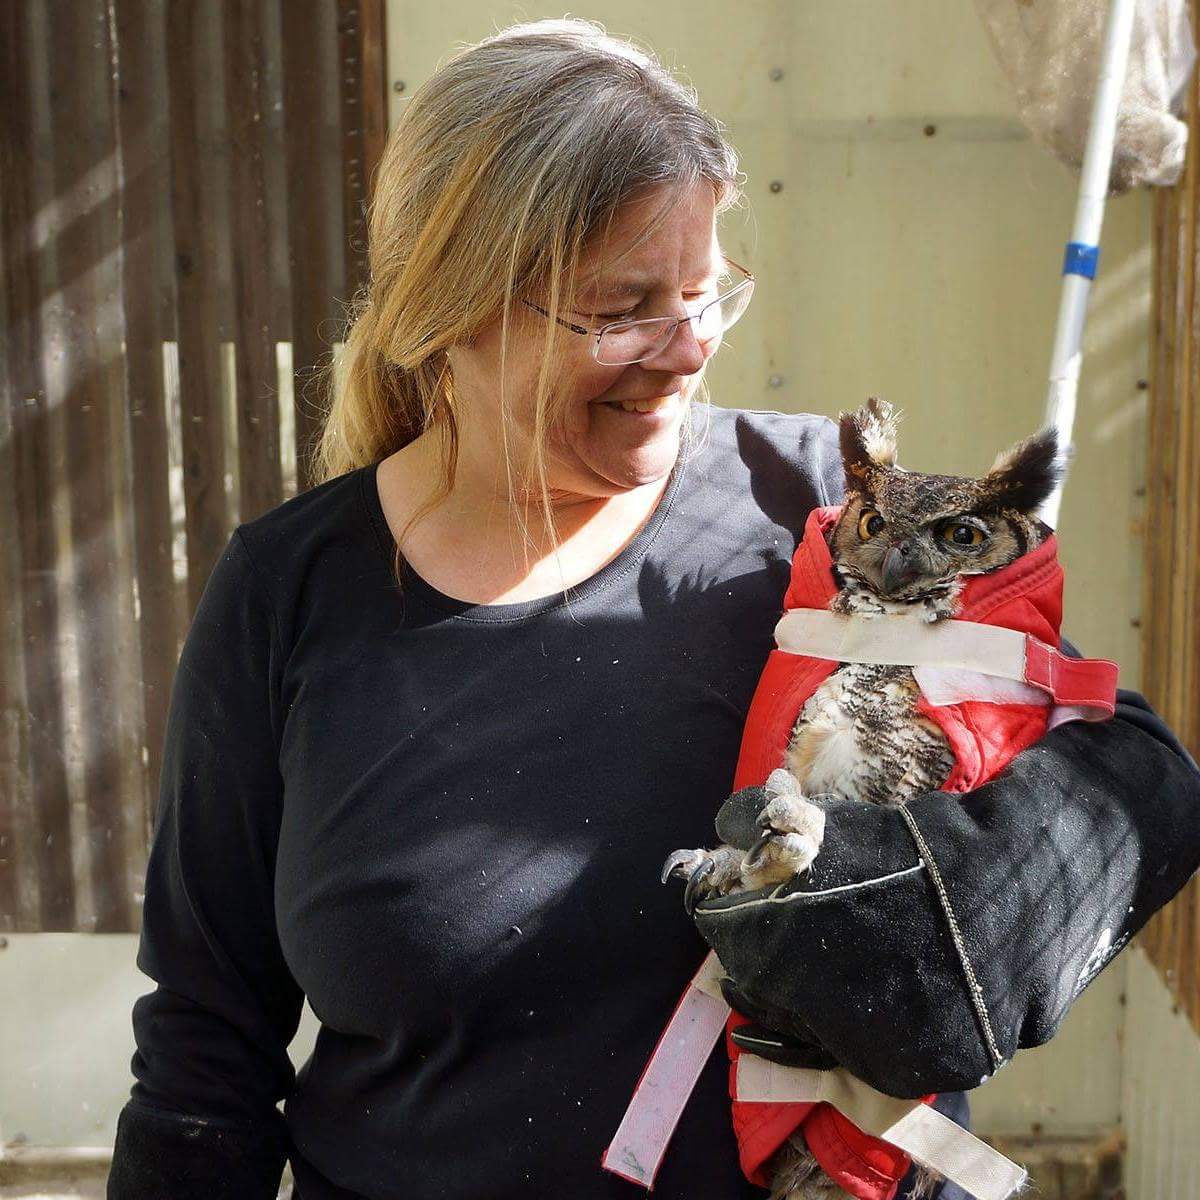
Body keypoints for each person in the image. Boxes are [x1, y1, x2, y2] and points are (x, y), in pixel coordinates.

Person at [106, 18, 1200, 1200]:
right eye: (623, 309)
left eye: (703, 293)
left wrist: (969, 908)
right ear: (448, 308)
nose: (687, 351)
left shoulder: (827, 524)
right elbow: (205, 1053)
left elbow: (1131, 769)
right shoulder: (290, 592)